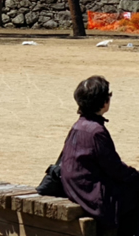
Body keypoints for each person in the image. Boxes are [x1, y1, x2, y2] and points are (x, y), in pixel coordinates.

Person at [60, 76, 139, 236]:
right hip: (91, 195)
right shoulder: (96, 131)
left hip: (76, 188)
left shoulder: (79, 125)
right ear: (104, 103)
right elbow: (115, 168)